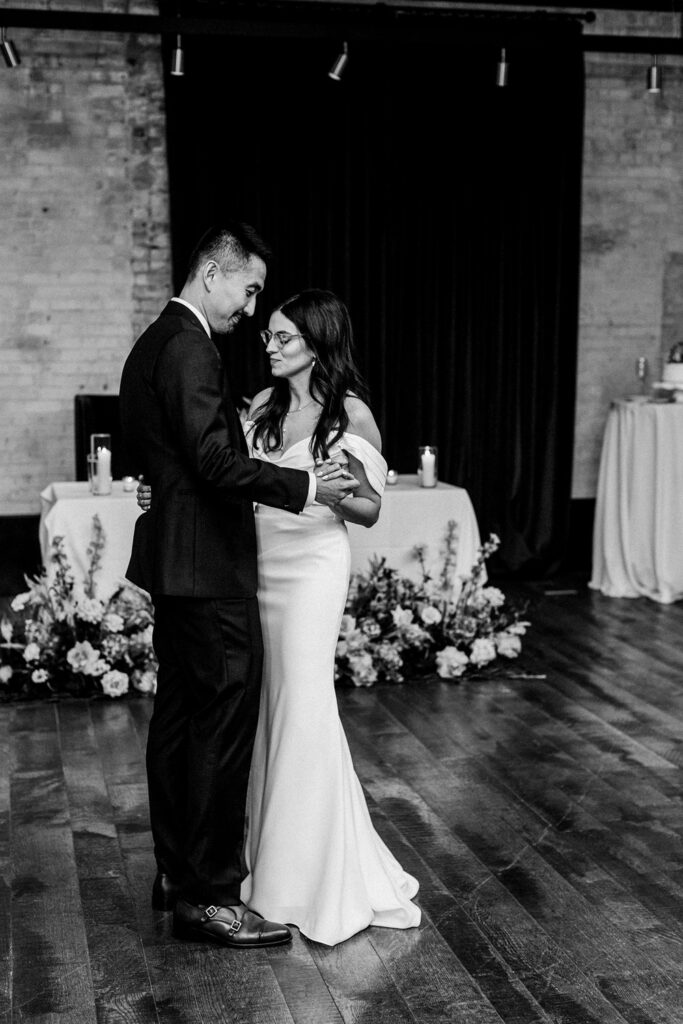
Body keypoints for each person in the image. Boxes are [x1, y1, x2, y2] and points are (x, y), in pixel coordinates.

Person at [138, 288, 421, 946]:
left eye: (284, 337)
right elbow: (223, 472)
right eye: (267, 334)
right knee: (255, 712)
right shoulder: (259, 408)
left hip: (313, 570)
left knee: (302, 703)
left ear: (318, 344)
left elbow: (370, 510)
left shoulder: (348, 413)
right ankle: (258, 867)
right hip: (254, 566)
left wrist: (331, 490)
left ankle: (310, 874)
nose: (269, 344)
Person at [119, 223, 359, 951]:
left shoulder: (154, 341)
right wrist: (305, 481)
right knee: (219, 730)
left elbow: (177, 459)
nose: (250, 310)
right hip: (208, 569)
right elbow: (217, 464)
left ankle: (175, 869)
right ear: (214, 272)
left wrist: (166, 488)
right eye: (248, 289)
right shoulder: (191, 347)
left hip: (176, 562)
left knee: (181, 721)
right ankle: (213, 898)